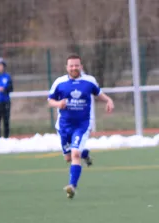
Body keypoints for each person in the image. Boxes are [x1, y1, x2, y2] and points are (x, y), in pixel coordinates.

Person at [47, 54, 114, 198]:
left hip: (82, 125)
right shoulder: (59, 82)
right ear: (67, 67)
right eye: (71, 65)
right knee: (68, 157)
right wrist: (58, 104)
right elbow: (50, 100)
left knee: (74, 153)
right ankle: (85, 154)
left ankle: (72, 186)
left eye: (76, 65)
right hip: (64, 126)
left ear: (81, 66)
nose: (74, 68)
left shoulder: (89, 81)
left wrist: (108, 100)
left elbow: (99, 93)